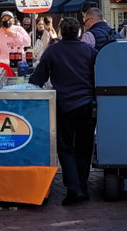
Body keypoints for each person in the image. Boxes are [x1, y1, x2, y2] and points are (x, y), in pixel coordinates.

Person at [28, 17, 97, 206]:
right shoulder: (90, 51)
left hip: (65, 105)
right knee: (85, 148)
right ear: (79, 32)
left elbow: (37, 78)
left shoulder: (53, 51)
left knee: (66, 148)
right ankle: (83, 186)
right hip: (87, 105)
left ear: (60, 31)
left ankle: (74, 189)